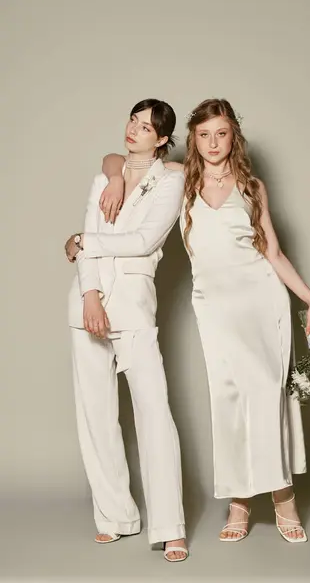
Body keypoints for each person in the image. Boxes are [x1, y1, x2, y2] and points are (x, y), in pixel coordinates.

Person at [100, 98, 310, 544]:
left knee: (266, 397)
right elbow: (117, 158)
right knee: (227, 400)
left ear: (233, 135)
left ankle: (282, 496)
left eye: (221, 133)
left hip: (262, 302)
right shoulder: (181, 180)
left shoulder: (252, 186)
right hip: (214, 308)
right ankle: (239, 500)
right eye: (203, 135)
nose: (213, 142)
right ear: (193, 140)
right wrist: (112, 178)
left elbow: (272, 253)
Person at [64, 99, 188, 562]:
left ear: (161, 139)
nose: (134, 129)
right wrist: (89, 294)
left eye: (146, 126)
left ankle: (169, 526)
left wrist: (81, 242)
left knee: (154, 414)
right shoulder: (104, 176)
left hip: (135, 309)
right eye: (132, 121)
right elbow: (90, 232)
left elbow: (144, 242)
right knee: (96, 417)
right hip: (87, 304)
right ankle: (115, 516)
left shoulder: (173, 180)